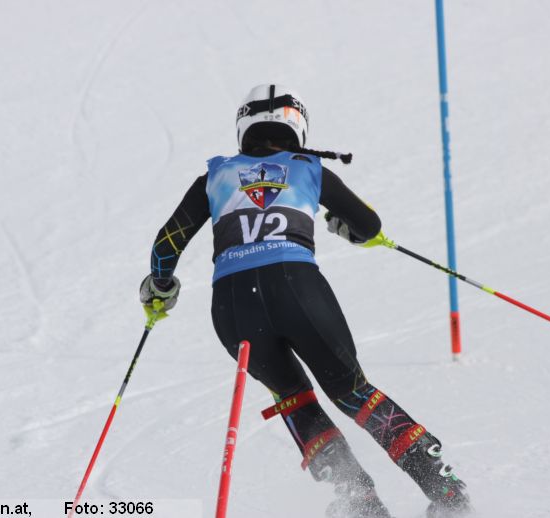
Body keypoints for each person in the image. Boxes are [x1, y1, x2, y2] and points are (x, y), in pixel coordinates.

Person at [140, 84, 471, 518]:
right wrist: (349, 229)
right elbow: (369, 224)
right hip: (297, 287)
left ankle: (360, 503)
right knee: (352, 392)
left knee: (293, 397)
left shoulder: (214, 177)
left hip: (234, 305)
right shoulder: (308, 168)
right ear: (297, 126)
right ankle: (444, 490)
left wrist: (160, 286)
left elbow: (166, 244)